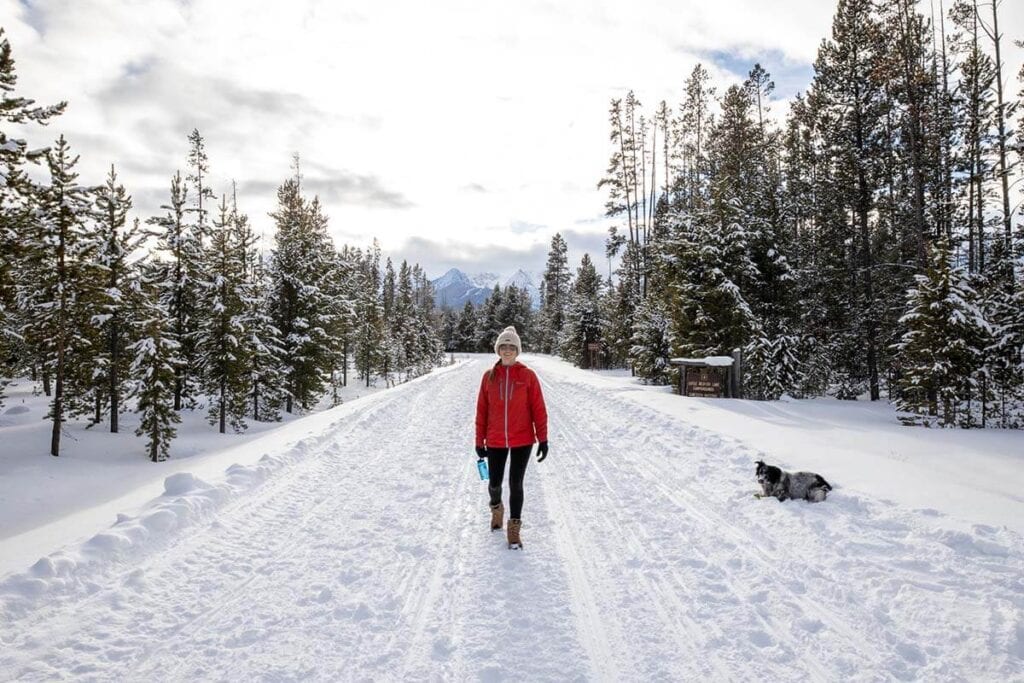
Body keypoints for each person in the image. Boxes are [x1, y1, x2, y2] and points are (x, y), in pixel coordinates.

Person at [474, 326, 548, 549]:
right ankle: (496, 509)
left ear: (517, 350)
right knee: (494, 483)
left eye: (511, 347)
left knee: (516, 483)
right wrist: (479, 441)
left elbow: (538, 408)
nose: (507, 350)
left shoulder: (527, 376)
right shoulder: (489, 377)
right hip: (495, 439)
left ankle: (514, 529)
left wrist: (543, 439)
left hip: (522, 440)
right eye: (503, 346)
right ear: (498, 350)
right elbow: (481, 411)